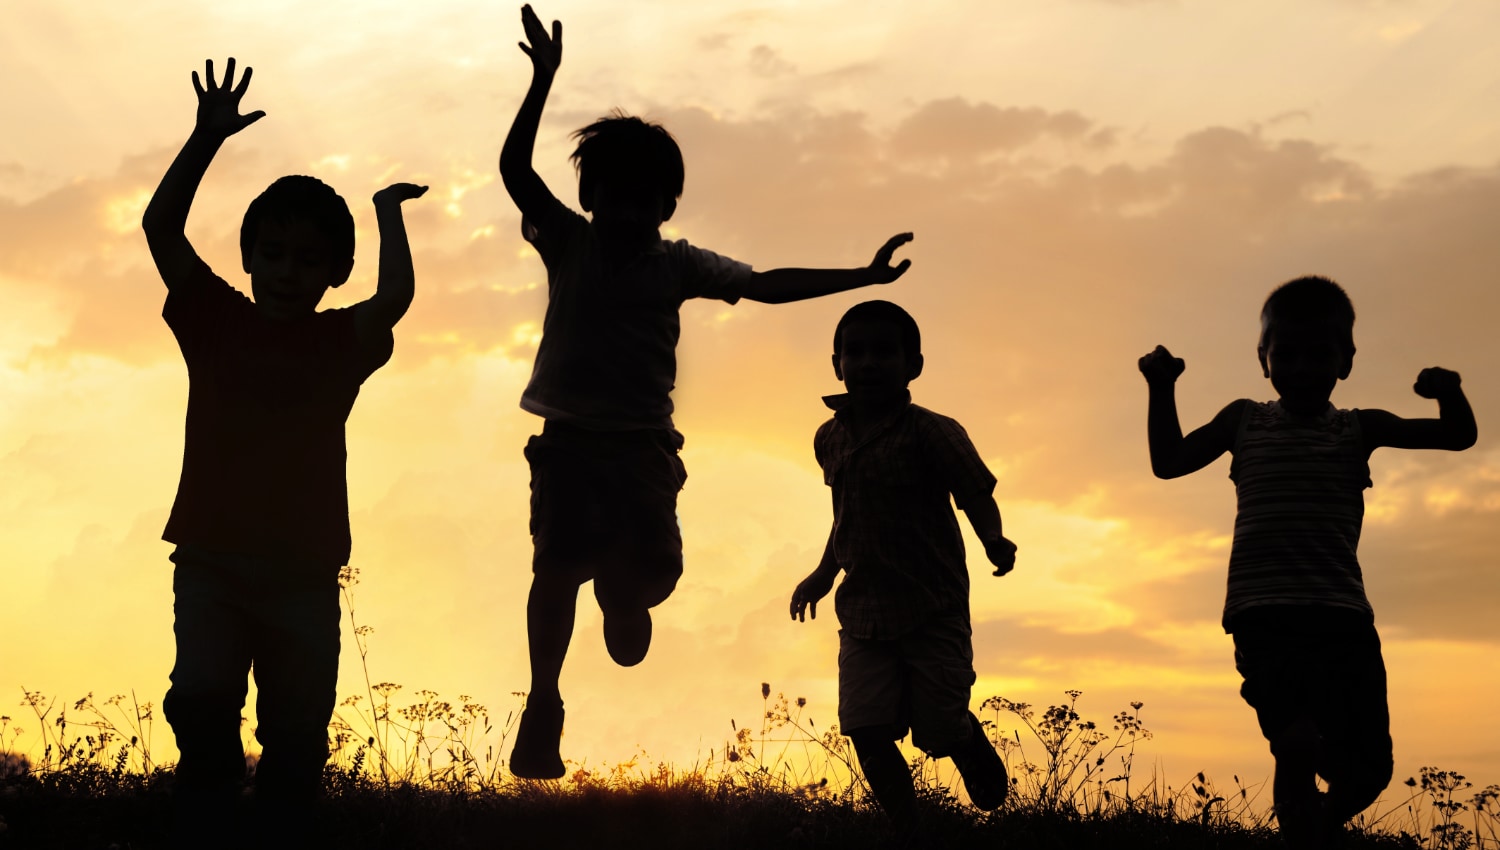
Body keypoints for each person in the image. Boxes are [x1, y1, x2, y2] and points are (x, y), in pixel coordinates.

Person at [500, 5, 915, 780]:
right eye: (612, 198)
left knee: (649, 579)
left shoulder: (679, 265)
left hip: (644, 450)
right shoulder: (569, 241)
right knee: (554, 563)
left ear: (666, 207)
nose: (625, 214)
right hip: (568, 441)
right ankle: (544, 701)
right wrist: (542, 82)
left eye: (642, 201)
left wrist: (862, 275)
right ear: (589, 199)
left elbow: (765, 285)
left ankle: (622, 600)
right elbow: (518, 175)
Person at [141, 58, 426, 848]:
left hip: (302, 577)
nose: (287, 271)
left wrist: (386, 214)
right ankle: (209, 805)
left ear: (335, 272)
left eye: (308, 259)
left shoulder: (341, 342)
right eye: (272, 253)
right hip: (210, 563)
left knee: (298, 736)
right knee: (200, 700)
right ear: (249, 257)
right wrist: (205, 139)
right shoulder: (215, 321)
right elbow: (161, 229)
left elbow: (395, 298)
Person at [1138, 276, 1477, 849]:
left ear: (1345, 362)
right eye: (1285, 354)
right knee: (1294, 740)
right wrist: (1161, 386)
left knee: (1370, 771)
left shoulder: (1357, 428)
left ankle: (1308, 828)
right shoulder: (1243, 420)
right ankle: (1301, 824)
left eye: (1319, 355)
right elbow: (1169, 461)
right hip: (1264, 615)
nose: (1300, 368)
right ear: (1263, 360)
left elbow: (1457, 435)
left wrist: (1450, 390)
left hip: (1343, 618)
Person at [790, 300, 1017, 836]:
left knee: (938, 725)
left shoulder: (932, 432)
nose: (869, 363)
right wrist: (824, 574)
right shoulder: (830, 436)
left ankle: (962, 736)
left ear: (913, 364)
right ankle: (908, 830)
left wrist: (993, 538)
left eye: (885, 352)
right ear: (836, 363)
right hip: (864, 611)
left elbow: (976, 493)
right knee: (866, 726)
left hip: (931, 606)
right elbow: (845, 515)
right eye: (856, 352)